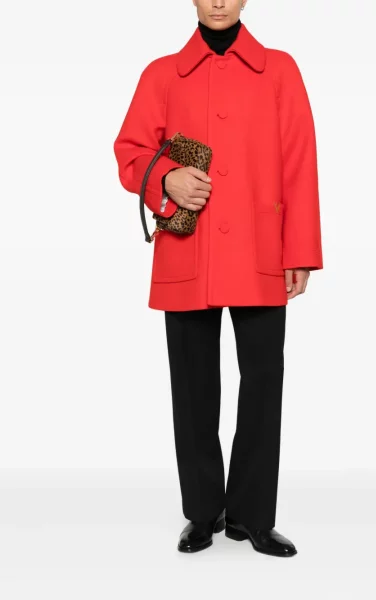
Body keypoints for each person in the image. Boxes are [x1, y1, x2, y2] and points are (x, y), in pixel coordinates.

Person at [113, 0, 323, 558]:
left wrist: (299, 250)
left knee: (263, 383)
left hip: (260, 248)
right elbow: (130, 152)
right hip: (189, 252)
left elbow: (300, 162)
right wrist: (167, 178)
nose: (219, 0)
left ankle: (252, 516)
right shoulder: (162, 74)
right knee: (192, 387)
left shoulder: (280, 70)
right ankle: (203, 512)